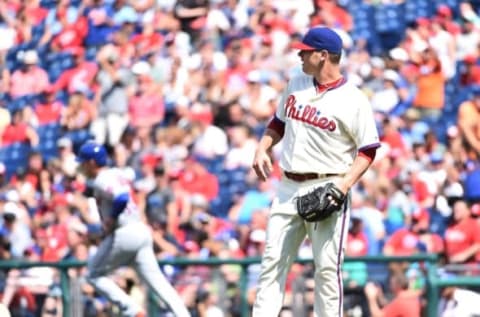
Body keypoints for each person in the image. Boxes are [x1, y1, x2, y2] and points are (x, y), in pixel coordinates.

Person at [251, 26, 380, 317]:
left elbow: (368, 150)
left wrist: (344, 186)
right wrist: (262, 146)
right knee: (272, 263)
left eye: (306, 51)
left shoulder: (353, 99)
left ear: (323, 56)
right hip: (287, 186)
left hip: (328, 184)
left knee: (326, 270)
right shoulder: (296, 82)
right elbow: (278, 123)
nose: (299, 54)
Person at [76, 141, 191, 317]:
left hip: (124, 232)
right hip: (140, 229)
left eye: (83, 162)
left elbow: (121, 198)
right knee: (159, 282)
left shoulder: (101, 179)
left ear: (91, 162)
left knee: (93, 274)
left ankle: (132, 310)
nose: (81, 166)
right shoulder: (115, 173)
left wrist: (110, 220)